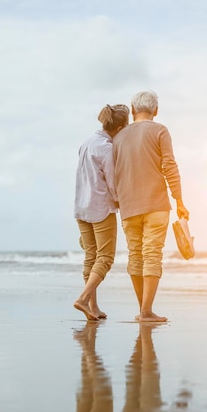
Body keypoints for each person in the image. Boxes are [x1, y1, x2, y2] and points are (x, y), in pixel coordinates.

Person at [113, 91, 189, 323]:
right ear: (155, 111)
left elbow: (113, 172)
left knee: (136, 256)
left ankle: (143, 309)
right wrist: (179, 200)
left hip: (128, 206)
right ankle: (146, 311)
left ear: (132, 109)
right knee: (152, 255)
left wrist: (117, 200)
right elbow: (170, 166)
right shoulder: (160, 130)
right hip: (156, 204)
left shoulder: (118, 137)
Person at [73, 104, 130, 321]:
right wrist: (122, 203)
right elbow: (112, 182)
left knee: (91, 257)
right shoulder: (106, 148)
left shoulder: (87, 143)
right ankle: (83, 298)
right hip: (100, 208)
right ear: (121, 127)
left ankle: (93, 308)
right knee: (105, 258)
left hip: (81, 206)